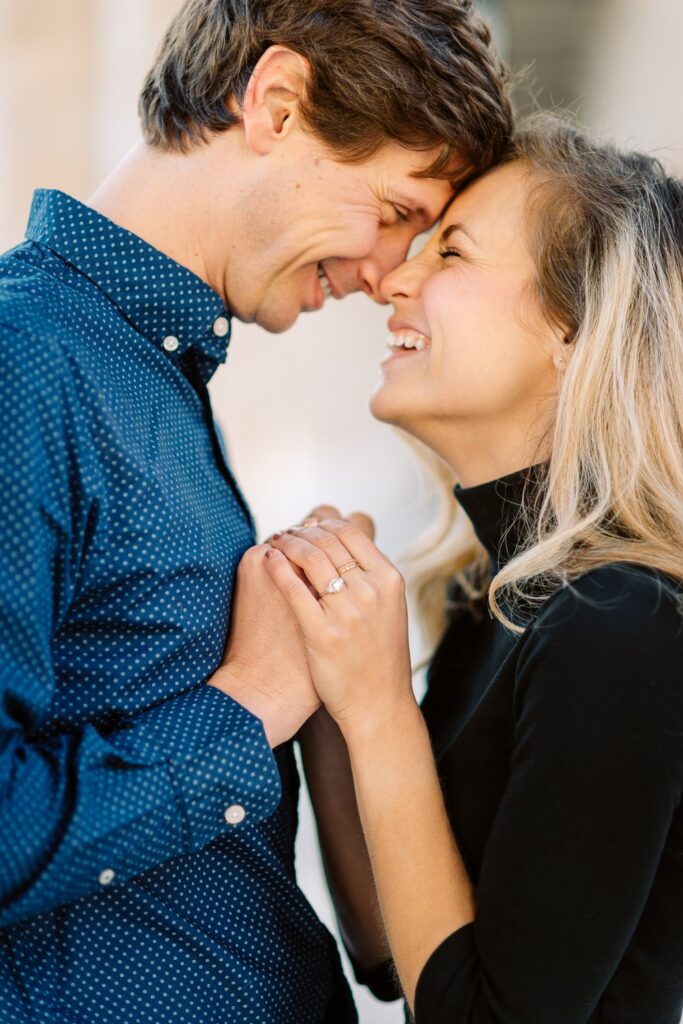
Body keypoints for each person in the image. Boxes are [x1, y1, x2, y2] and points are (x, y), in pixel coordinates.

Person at [0, 1, 512, 1021]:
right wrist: (250, 707)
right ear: (276, 102)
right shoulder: (28, 366)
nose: (385, 276)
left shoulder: (149, 370)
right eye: (398, 212)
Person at [258, 116, 683, 1023]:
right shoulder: (489, 598)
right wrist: (330, 663)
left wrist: (377, 705)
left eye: (449, 253)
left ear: (573, 329)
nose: (394, 280)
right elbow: (389, 948)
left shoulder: (622, 622)